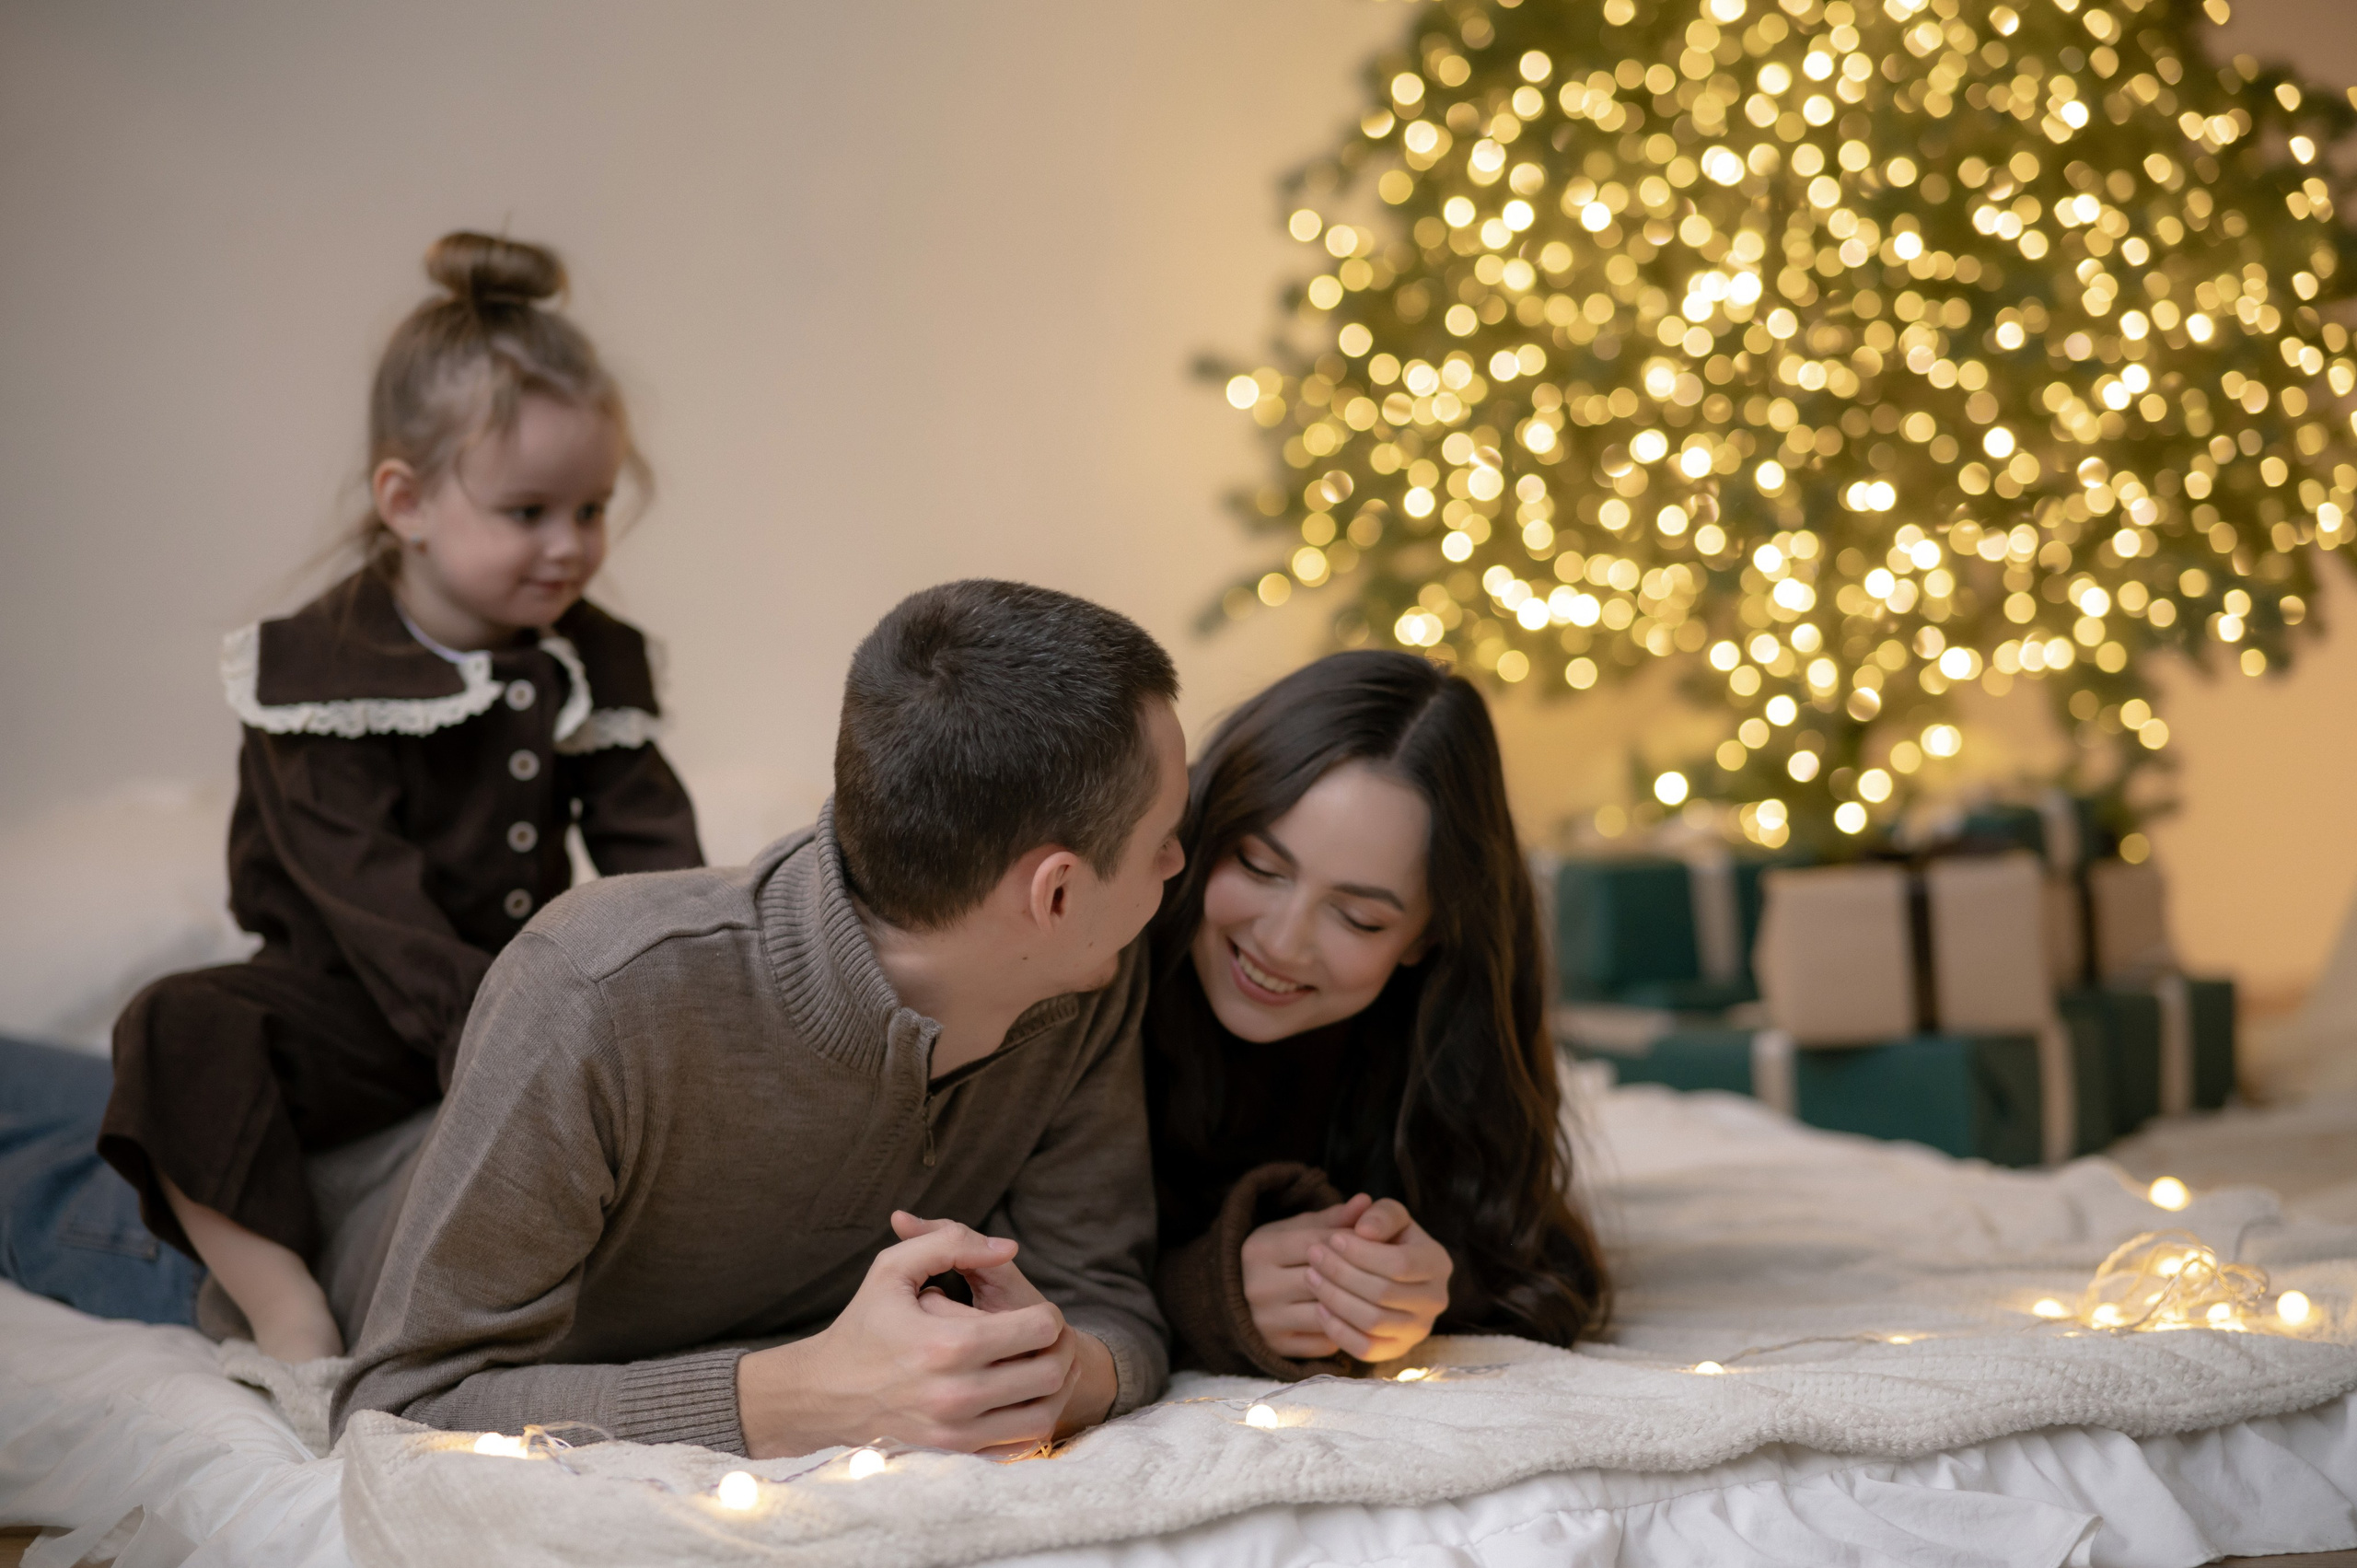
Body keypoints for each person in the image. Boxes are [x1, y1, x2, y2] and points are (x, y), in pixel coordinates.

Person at [332, 579, 1185, 1459]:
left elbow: (1108, 1304)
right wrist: (805, 1399)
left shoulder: (1089, 978)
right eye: (1163, 832)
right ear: (1056, 892)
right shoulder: (595, 987)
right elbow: (401, 1404)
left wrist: (1055, 1369)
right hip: (337, 1206)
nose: (1177, 859)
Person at [97, 232, 703, 1363]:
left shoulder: (591, 658)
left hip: (526, 997)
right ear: (407, 498)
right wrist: (500, 1043)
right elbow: (368, 898)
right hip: (355, 1007)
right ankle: (277, 1296)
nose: (570, 547)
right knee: (176, 1024)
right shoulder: (320, 676)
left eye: (592, 509)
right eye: (528, 511)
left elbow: (654, 853)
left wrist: (689, 986)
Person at [1145, 650, 1608, 1379]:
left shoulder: (1437, 1036)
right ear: (1203, 828)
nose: (1281, 940)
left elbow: (1534, 1268)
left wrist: (1420, 1277)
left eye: (1358, 918)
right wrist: (1203, 1295)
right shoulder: (1096, 972)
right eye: (1261, 867)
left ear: (1427, 937)